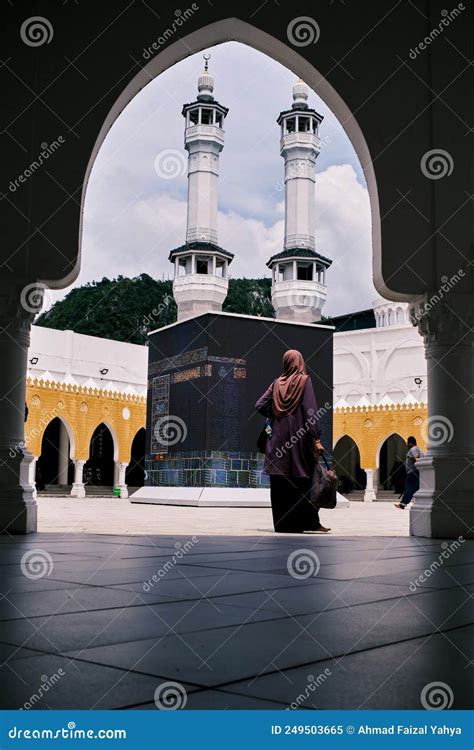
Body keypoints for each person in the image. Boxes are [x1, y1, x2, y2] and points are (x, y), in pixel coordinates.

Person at [255, 349, 331, 534]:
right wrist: (316, 437)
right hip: (299, 443)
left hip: (277, 444)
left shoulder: (276, 384)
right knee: (304, 482)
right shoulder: (305, 381)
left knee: (280, 484)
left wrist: (275, 415)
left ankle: (283, 525)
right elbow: (311, 412)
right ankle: (307, 523)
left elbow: (259, 405)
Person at [394, 436, 423, 509]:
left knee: (409, 488)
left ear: (410, 443)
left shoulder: (413, 449)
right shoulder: (419, 449)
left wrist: (416, 465)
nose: (407, 444)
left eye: (407, 443)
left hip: (412, 472)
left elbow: (416, 457)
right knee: (416, 488)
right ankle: (404, 504)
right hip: (417, 472)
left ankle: (402, 504)